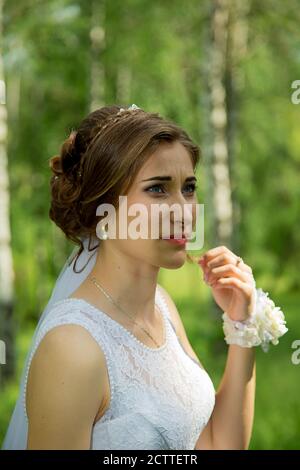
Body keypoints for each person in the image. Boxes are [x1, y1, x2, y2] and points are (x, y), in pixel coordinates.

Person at [1, 104, 287, 450]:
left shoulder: (162, 308)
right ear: (102, 210)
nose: (184, 211)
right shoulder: (72, 347)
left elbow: (217, 443)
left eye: (189, 187)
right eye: (157, 189)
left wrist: (242, 327)